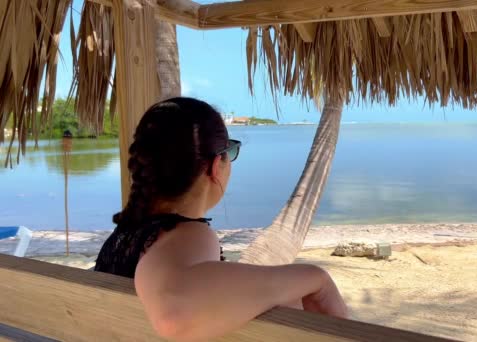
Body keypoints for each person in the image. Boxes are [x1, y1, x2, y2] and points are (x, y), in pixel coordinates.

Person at [94, 97, 347, 340]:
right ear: (216, 165)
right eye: (231, 151)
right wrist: (316, 278)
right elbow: (174, 313)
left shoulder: (125, 237)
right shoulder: (186, 235)